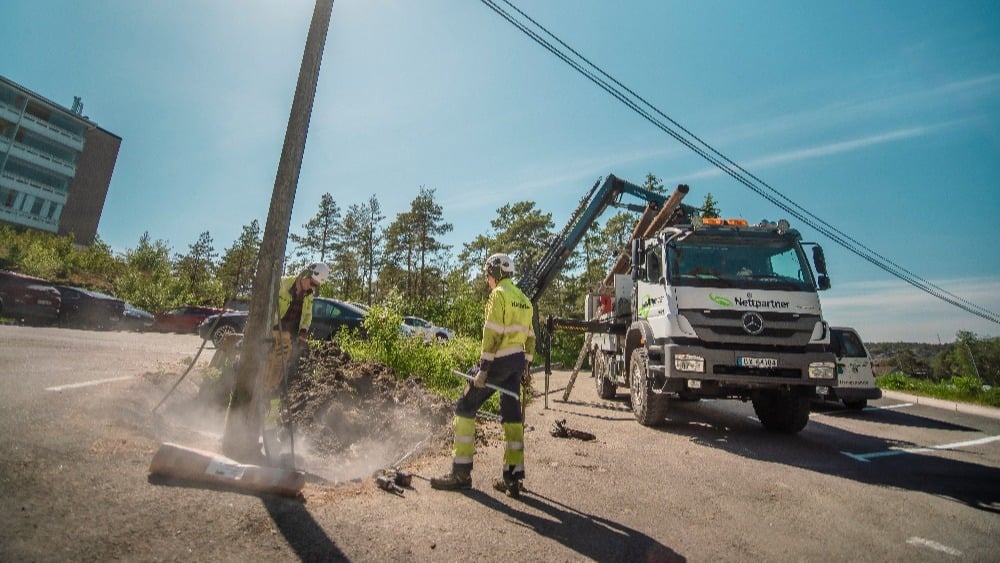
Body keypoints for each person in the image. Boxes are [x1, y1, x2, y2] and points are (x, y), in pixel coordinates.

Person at [431, 253, 535, 497]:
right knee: (512, 416)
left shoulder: (498, 295)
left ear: (496, 273)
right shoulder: (524, 300)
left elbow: (492, 334)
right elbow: (530, 339)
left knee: (464, 407)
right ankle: (513, 479)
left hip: (497, 363)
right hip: (517, 364)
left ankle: (460, 474)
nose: (487, 279)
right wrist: (526, 370)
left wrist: (483, 370)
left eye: (488, 274)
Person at [262, 262, 329, 450]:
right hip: (270, 339)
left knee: (277, 385)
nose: (313, 288)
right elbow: (266, 309)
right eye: (313, 283)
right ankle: (247, 425)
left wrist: (304, 331)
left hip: (287, 342)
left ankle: (268, 429)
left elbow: (307, 316)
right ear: (305, 273)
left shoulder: (308, 297)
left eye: (317, 286)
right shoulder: (282, 285)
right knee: (260, 381)